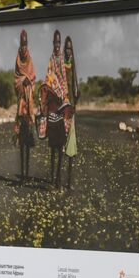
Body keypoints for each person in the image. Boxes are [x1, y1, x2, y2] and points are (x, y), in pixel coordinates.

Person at [40, 30, 70, 187]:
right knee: (52, 147)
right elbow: (47, 81)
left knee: (60, 146)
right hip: (52, 106)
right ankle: (52, 177)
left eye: (59, 43)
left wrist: (63, 95)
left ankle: (58, 177)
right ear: (53, 44)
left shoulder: (63, 61)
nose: (57, 45)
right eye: (55, 43)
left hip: (62, 102)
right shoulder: (51, 61)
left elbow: (64, 83)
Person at [13, 30, 36, 182]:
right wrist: (22, 82)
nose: (23, 48)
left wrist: (28, 81)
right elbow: (15, 81)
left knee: (28, 141)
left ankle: (27, 173)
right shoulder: (17, 63)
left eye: (25, 45)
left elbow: (33, 78)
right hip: (21, 106)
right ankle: (22, 174)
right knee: (21, 142)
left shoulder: (30, 62)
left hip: (29, 106)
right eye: (21, 45)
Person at [62, 36, 80, 189]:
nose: (68, 51)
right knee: (60, 143)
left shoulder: (73, 64)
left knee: (71, 145)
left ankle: (68, 182)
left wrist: (76, 97)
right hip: (62, 107)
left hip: (71, 109)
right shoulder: (61, 64)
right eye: (66, 48)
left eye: (70, 48)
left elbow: (75, 86)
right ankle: (58, 180)